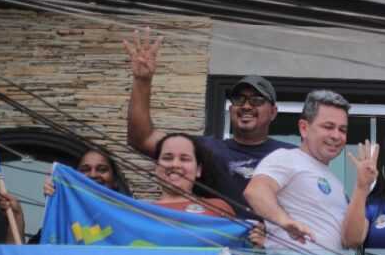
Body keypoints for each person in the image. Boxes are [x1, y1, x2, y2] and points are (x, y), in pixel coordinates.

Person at [124, 28, 290, 216]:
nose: (246, 106)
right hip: (216, 235)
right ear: (230, 109)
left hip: (276, 236)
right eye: (239, 99)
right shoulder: (209, 150)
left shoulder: (292, 156)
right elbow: (141, 138)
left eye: (257, 100)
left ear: (273, 112)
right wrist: (142, 80)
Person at [245, 90, 350, 251]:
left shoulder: (337, 183)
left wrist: (363, 187)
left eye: (342, 130)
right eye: (328, 127)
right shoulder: (287, 158)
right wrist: (284, 221)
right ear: (304, 128)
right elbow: (256, 191)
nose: (336, 135)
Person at [152, 133, 234, 217]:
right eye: (167, 158)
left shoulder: (219, 208)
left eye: (184, 159)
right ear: (156, 167)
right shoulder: (143, 214)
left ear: (198, 170)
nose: (175, 164)